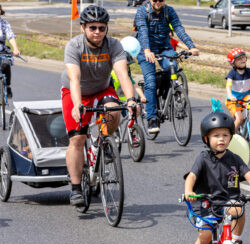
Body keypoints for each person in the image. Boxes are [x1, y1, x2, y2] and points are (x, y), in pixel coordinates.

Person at [61, 5, 138, 206]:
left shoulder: (113, 45)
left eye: (101, 28)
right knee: (77, 139)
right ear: (83, 28)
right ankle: (76, 188)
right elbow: (74, 79)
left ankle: (103, 141)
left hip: (102, 88)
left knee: (114, 109)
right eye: (92, 27)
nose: (97, 32)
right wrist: (78, 105)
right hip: (75, 91)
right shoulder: (74, 46)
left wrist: (131, 99)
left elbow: (122, 74)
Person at [184, 111, 250, 244]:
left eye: (225, 135)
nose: (221, 139)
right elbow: (191, 176)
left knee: (239, 207)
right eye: (216, 135)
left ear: (231, 137)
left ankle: (236, 242)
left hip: (228, 199)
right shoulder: (203, 158)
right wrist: (188, 191)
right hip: (206, 202)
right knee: (205, 235)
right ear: (206, 139)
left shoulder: (234, 159)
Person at [135, 0, 199, 134]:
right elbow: (143, 31)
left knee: (173, 67)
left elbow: (179, 28)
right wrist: (147, 49)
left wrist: (191, 46)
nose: (158, 2)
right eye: (155, 0)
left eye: (161, 0)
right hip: (145, 50)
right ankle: (152, 118)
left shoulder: (169, 11)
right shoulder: (143, 11)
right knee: (151, 82)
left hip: (164, 48)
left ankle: (166, 94)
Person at [110, 36, 147, 104]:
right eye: (126, 65)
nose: (127, 68)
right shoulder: (111, 74)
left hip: (125, 101)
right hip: (114, 100)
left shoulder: (127, 76)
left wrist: (142, 96)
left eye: (128, 66)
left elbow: (135, 86)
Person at [0, 5, 20, 98]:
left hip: (2, 50)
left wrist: (15, 49)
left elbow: (10, 36)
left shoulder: (4, 24)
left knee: (6, 64)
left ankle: (8, 87)